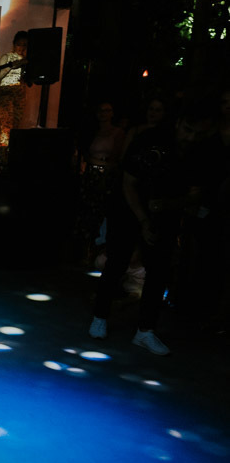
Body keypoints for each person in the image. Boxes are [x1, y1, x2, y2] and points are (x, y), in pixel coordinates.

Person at [89, 103, 214, 355]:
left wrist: (169, 205)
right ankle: (99, 316)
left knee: (158, 272)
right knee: (117, 262)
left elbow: (196, 194)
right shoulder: (150, 139)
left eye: (198, 133)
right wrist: (143, 219)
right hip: (128, 207)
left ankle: (145, 330)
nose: (191, 138)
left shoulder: (200, 151)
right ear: (179, 123)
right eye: (188, 130)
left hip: (165, 212)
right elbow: (128, 182)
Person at [75, 100, 126, 264]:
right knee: (87, 212)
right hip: (91, 173)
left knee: (102, 212)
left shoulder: (117, 133)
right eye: (101, 111)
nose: (104, 114)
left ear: (112, 113)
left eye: (107, 111)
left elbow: (117, 157)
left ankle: (99, 250)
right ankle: (85, 250)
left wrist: (103, 164)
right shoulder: (93, 132)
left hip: (106, 175)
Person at [0, 31, 30, 168]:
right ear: (14, 44)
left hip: (20, 93)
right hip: (6, 92)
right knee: (6, 129)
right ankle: (2, 161)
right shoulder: (6, 57)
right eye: (19, 44)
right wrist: (12, 65)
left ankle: (12, 161)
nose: (21, 48)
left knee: (15, 129)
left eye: (24, 45)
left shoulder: (28, 59)